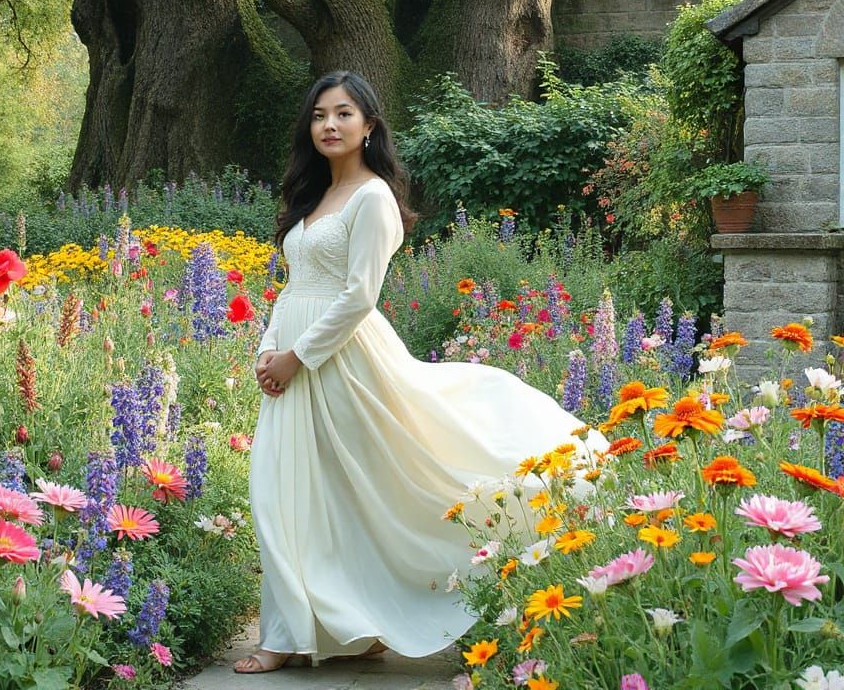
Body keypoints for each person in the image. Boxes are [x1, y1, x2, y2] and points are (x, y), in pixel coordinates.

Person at [234, 71, 607, 675]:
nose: (330, 124)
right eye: (320, 115)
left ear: (370, 125)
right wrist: (268, 349)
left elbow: (358, 296)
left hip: (343, 360)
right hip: (293, 359)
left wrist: (298, 357)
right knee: (289, 491)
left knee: (368, 490)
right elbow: (293, 287)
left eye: (344, 114)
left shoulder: (374, 197)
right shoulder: (312, 199)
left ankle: (325, 628)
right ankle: (314, 629)